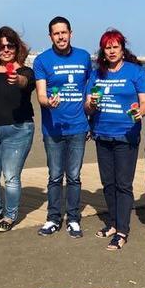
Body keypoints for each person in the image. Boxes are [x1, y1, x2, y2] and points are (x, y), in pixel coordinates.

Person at [85, 29, 145, 250]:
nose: (111, 51)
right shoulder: (97, 74)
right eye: (107, 47)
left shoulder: (135, 72)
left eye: (115, 47)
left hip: (126, 135)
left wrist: (141, 111)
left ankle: (122, 230)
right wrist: (91, 104)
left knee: (123, 184)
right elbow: (87, 105)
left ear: (122, 49)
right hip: (102, 133)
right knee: (108, 183)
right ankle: (113, 223)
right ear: (103, 50)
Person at [33, 16, 92, 238]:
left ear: (70, 33)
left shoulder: (84, 57)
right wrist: (48, 102)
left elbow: (89, 88)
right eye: (56, 33)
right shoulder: (42, 61)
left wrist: (90, 118)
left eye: (64, 32)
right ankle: (53, 218)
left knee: (74, 176)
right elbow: (40, 95)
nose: (60, 37)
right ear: (50, 36)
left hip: (78, 126)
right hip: (53, 128)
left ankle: (74, 219)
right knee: (55, 175)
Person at [0, 26, 36, 233]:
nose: (5, 50)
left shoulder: (25, 72)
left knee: (10, 177)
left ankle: (10, 216)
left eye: (10, 45)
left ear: (17, 47)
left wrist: (17, 79)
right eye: (1, 46)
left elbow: (25, 82)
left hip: (18, 130)